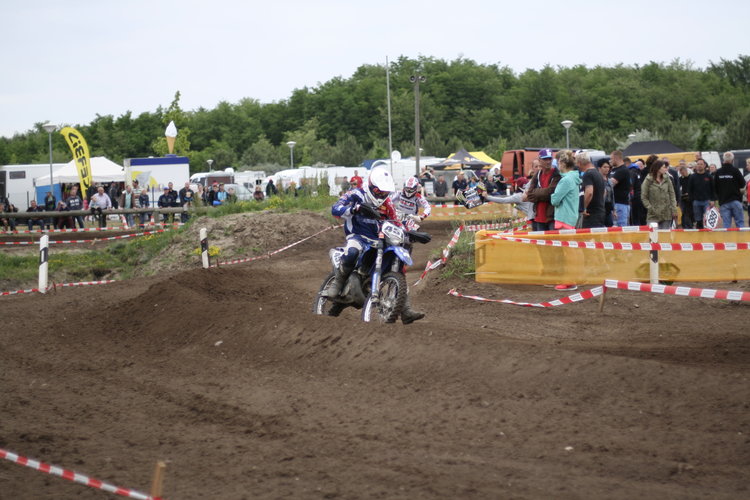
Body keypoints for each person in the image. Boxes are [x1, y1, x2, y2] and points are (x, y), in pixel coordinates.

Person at [322, 167, 424, 325]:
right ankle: (337, 283)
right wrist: (354, 208)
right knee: (352, 252)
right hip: (357, 236)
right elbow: (335, 209)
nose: (382, 195)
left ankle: (405, 309)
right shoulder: (356, 194)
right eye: (379, 191)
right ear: (371, 186)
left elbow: (396, 223)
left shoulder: (388, 203)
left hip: (378, 239)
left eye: (385, 192)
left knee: (396, 264)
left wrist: (412, 234)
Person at [525, 149, 561, 231]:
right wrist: (544, 193)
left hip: (552, 217)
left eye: (550, 159)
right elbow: (530, 195)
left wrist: (537, 193)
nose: (548, 162)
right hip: (539, 217)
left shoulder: (556, 174)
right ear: (539, 160)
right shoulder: (537, 175)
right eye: (545, 159)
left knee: (553, 239)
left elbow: (551, 193)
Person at [641, 160, 677, 230]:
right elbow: (644, 196)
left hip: (666, 213)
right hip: (653, 214)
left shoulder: (667, 178)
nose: (665, 169)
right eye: (663, 167)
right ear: (658, 168)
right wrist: (650, 208)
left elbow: (672, 195)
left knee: (665, 235)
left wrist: (674, 209)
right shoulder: (648, 180)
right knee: (653, 234)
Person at [713, 151, 746, 228]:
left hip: (723, 202)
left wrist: (718, 197)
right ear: (732, 160)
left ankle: (727, 236)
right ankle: (741, 236)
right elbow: (743, 184)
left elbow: (714, 187)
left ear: (723, 159)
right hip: (736, 200)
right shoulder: (736, 171)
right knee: (740, 223)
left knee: (726, 225)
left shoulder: (718, 172)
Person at [578, 151, 605, 228]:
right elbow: (604, 192)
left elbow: (589, 192)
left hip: (591, 213)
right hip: (600, 211)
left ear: (580, 163)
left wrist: (584, 208)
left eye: (577, 164)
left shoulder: (588, 174)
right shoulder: (598, 173)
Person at [687, 158, 714, 229]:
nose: (699, 166)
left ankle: (707, 233)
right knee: (698, 220)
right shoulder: (692, 177)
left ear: (704, 165)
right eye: (698, 164)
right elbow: (689, 189)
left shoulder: (709, 176)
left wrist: (712, 199)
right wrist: (692, 200)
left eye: (701, 164)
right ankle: (699, 234)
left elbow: (713, 189)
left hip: (707, 201)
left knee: (707, 219)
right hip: (696, 202)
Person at [608, 150, 631, 227]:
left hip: (621, 204)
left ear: (616, 158)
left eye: (611, 159)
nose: (610, 161)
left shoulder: (623, 170)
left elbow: (610, 184)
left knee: (621, 228)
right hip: (614, 203)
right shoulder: (613, 170)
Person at [597, 159, 615, 227]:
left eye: (608, 167)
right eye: (604, 167)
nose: (607, 169)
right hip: (600, 208)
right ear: (599, 168)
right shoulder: (597, 180)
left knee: (610, 226)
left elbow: (612, 196)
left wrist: (614, 209)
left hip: (608, 208)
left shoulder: (609, 181)